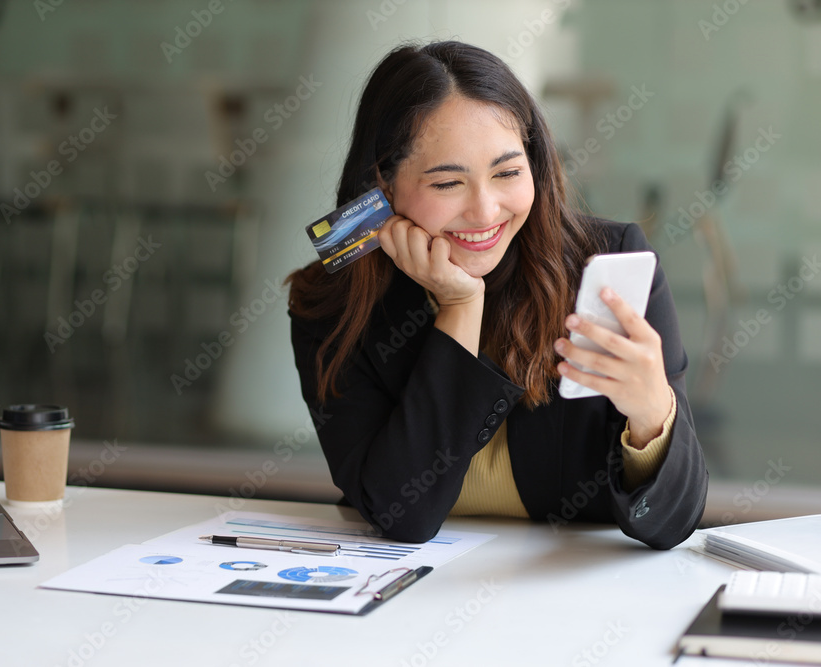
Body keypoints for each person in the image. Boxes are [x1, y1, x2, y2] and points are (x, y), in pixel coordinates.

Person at [285, 41, 708, 550]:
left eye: (507, 173)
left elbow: (673, 523)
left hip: (569, 598)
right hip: (407, 602)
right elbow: (402, 515)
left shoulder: (607, 266)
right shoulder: (333, 305)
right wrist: (460, 308)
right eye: (447, 183)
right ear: (383, 182)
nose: (486, 212)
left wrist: (651, 415)